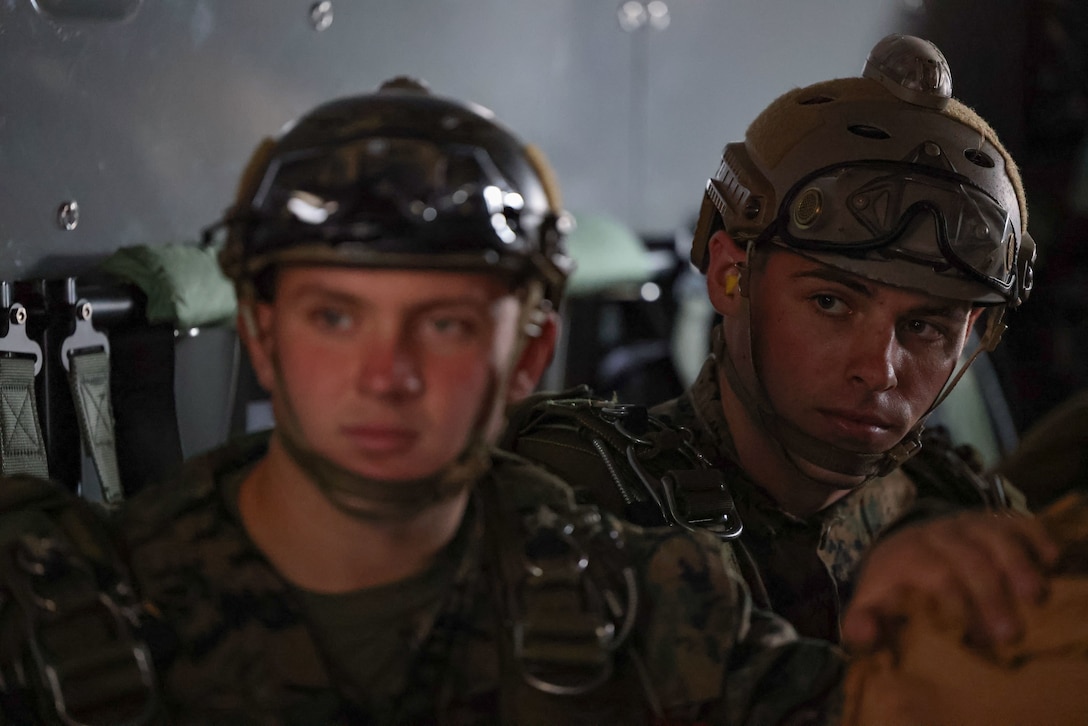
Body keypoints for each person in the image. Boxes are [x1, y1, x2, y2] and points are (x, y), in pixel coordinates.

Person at [0, 78, 848, 725]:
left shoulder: (657, 607)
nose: (387, 374)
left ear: (530, 355)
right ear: (262, 337)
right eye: (334, 317)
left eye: (444, 326)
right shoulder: (55, 603)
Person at [503, 34, 1051, 647]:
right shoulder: (580, 495)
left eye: (924, 327)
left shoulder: (977, 529)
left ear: (969, 333)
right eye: (830, 303)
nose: (879, 370)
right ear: (729, 277)